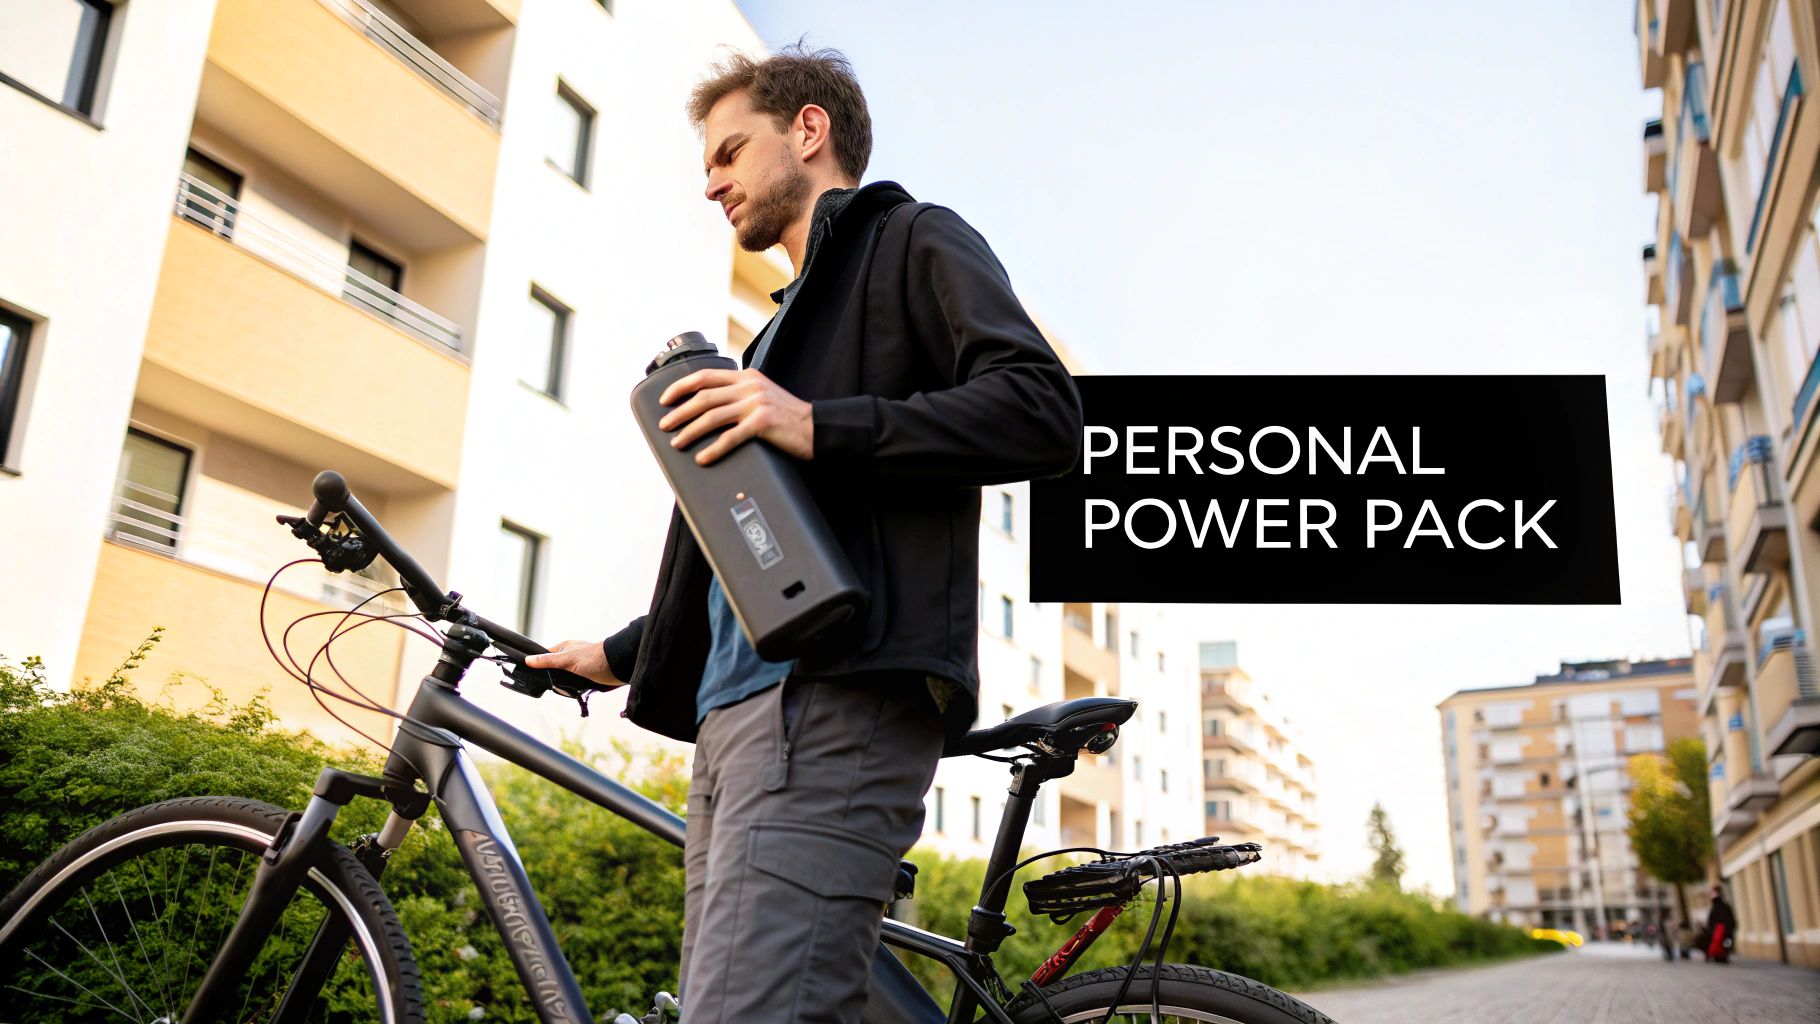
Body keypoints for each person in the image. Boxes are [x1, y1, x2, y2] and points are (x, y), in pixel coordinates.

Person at [525, 45, 1082, 1023]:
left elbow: (1042, 410)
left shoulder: (911, 238)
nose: (710, 183)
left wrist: (816, 424)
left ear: (809, 130)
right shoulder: (773, 338)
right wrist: (616, 653)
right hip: (733, 720)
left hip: (834, 703)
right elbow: (751, 553)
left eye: (730, 152)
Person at [1704, 885, 1736, 963]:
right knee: (1724, 943)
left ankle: (1721, 955)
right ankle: (1721, 955)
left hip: (1722, 929)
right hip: (1721, 930)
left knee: (1724, 943)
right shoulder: (1720, 907)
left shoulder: (1719, 907)